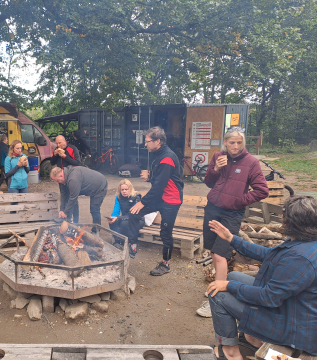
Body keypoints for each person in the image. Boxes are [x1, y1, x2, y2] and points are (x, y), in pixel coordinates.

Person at [206, 195, 317, 360]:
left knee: (219, 295)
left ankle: (231, 353)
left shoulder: (300, 258)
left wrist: (228, 286)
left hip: (292, 327)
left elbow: (269, 297)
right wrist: (231, 239)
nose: (281, 217)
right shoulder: (304, 241)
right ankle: (255, 339)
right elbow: (270, 255)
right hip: (290, 307)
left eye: (284, 214)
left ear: (290, 222)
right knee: (235, 275)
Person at [197, 127, 269, 318]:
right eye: (231, 142)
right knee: (213, 250)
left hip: (231, 214)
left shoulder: (251, 162)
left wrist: (239, 201)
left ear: (243, 143)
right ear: (225, 143)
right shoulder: (218, 156)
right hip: (213, 208)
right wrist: (215, 169)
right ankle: (217, 285)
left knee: (221, 254)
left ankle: (217, 297)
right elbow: (209, 182)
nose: (235, 146)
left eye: (239, 142)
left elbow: (262, 190)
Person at [128, 126, 183, 272]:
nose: (145, 144)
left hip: (171, 200)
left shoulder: (167, 158)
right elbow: (159, 178)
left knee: (165, 232)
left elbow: (159, 186)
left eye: (147, 141)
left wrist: (143, 202)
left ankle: (165, 264)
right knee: (133, 213)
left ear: (158, 141)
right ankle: (132, 246)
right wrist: (150, 177)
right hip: (159, 197)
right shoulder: (157, 153)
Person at [51, 135, 82, 222]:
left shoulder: (73, 149)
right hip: (60, 178)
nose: (58, 145)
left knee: (73, 198)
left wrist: (65, 157)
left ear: (65, 141)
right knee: (64, 196)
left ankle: (76, 221)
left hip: (72, 177)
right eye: (56, 143)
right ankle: (65, 219)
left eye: (59, 143)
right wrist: (55, 155)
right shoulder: (56, 150)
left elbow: (78, 163)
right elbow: (51, 162)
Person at [108, 179, 143, 250]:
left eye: (126, 189)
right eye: (122, 190)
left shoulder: (136, 197)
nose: (124, 191)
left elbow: (134, 213)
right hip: (125, 217)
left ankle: (128, 242)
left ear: (130, 189)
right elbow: (116, 210)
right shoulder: (118, 197)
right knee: (113, 221)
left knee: (124, 223)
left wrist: (119, 218)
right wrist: (113, 217)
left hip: (137, 219)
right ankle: (117, 241)